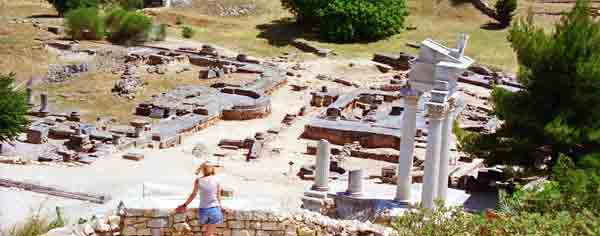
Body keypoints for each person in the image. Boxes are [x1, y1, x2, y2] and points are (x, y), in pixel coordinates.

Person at [176, 161, 227, 236]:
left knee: (206, 232)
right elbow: (218, 196)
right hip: (215, 210)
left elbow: (193, 194)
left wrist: (184, 205)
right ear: (212, 169)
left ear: (202, 170)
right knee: (209, 233)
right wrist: (221, 207)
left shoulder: (198, 180)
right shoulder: (217, 180)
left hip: (203, 211)